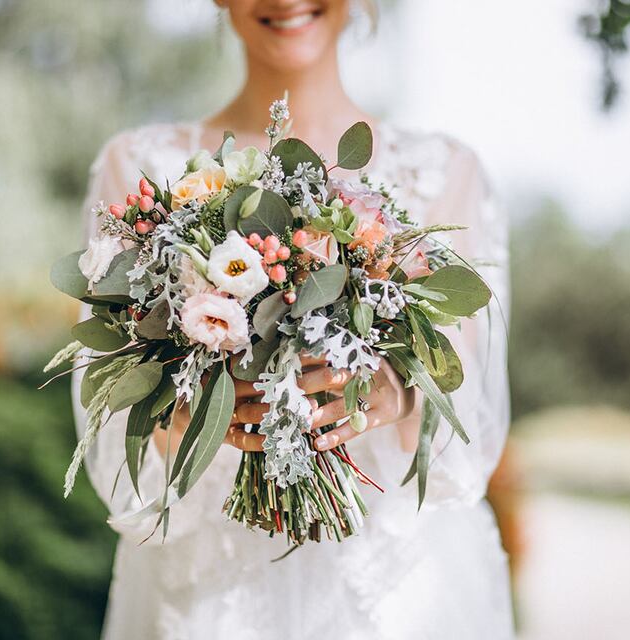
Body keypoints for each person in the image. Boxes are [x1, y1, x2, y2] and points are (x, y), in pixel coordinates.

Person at [72, 1, 513, 637]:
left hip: (396, 581)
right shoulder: (140, 167)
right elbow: (108, 406)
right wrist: (184, 410)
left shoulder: (446, 172)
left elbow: (471, 401)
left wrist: (397, 392)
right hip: (209, 577)